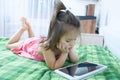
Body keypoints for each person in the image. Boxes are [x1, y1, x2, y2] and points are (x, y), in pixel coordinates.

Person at [6, 0, 80, 70]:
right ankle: (22, 29)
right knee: (9, 45)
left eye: (75, 39)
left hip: (37, 41)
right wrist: (64, 53)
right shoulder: (47, 48)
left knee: (33, 38)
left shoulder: (67, 44)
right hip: (29, 44)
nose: (72, 43)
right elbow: (53, 66)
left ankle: (29, 28)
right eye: (68, 40)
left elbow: (75, 60)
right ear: (55, 37)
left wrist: (68, 50)